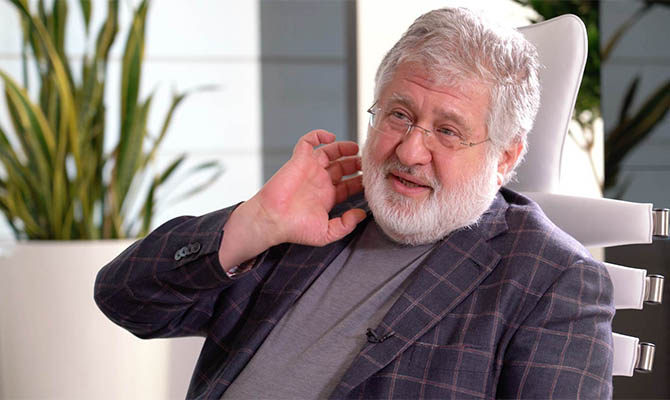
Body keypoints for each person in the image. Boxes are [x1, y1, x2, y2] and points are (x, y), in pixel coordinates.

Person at [95, 7, 614, 399]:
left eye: (448, 131)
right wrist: (255, 223)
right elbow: (125, 300)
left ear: (505, 157)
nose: (409, 151)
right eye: (398, 115)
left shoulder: (554, 279)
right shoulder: (312, 214)